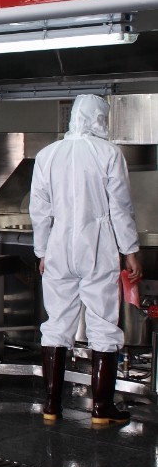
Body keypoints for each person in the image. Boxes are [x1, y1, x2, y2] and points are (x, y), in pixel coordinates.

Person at [30, 94, 142, 425]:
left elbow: (39, 210)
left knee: (56, 323)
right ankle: (101, 409)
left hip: (59, 247)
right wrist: (130, 250)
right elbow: (120, 207)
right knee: (103, 324)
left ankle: (51, 406)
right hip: (97, 247)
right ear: (99, 119)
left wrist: (42, 252)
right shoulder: (109, 153)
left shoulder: (47, 154)